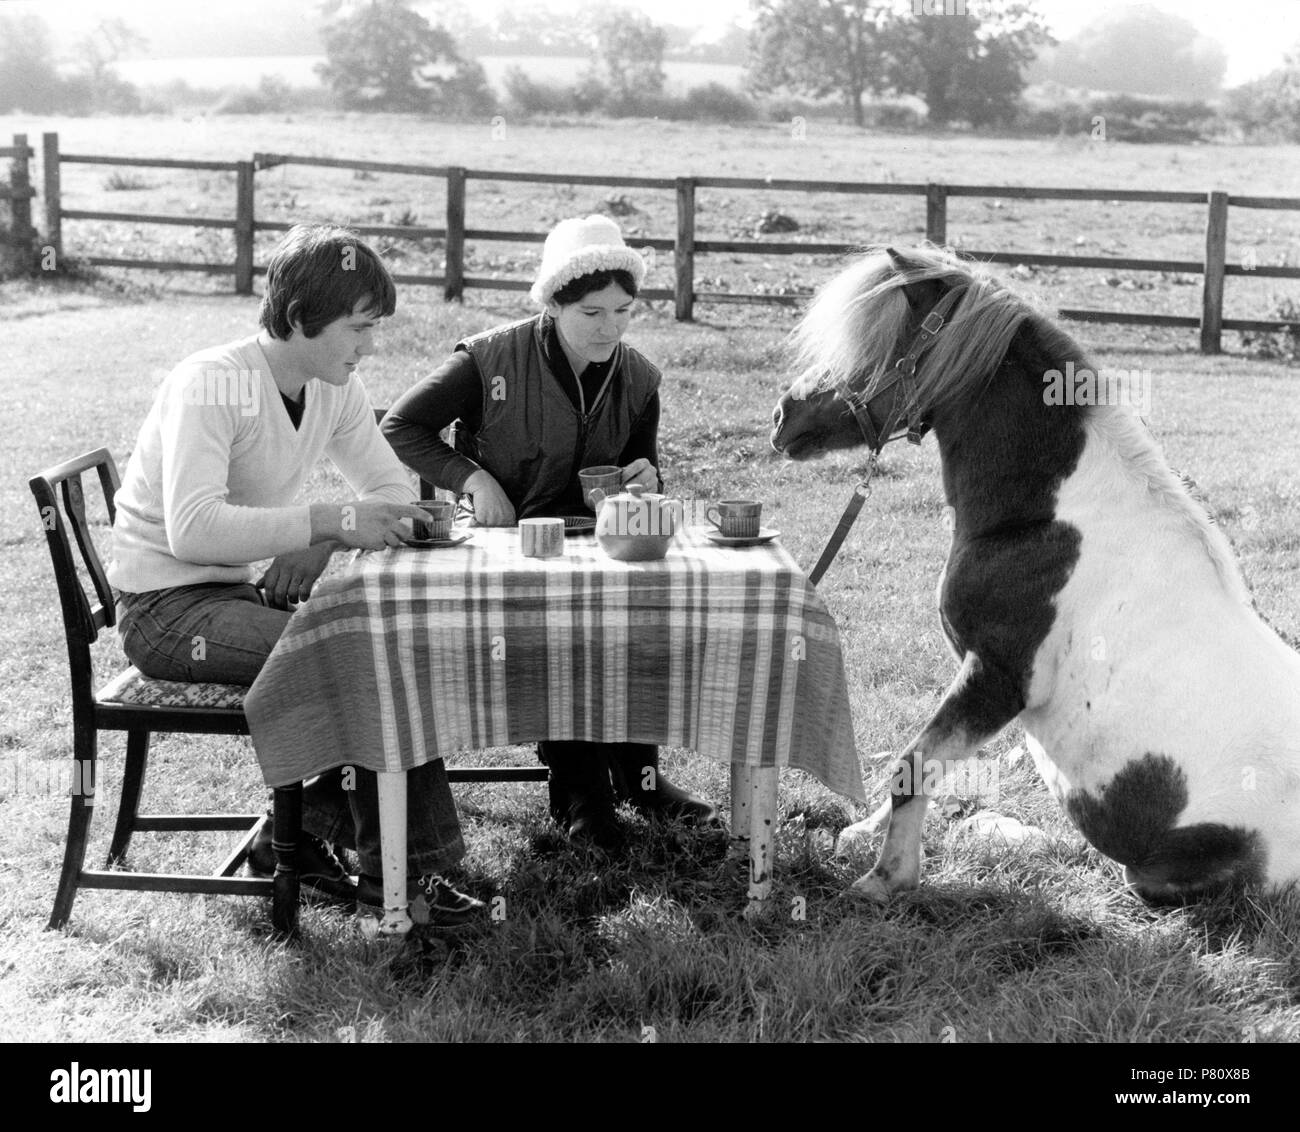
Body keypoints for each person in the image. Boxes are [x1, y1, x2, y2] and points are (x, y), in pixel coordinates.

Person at [107, 224, 484, 926]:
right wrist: (326, 522)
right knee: (364, 659)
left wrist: (324, 535)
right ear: (300, 316)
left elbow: (392, 491)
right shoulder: (212, 382)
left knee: (382, 650)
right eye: (358, 327)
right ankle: (403, 876)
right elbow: (192, 528)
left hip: (228, 595)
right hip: (164, 614)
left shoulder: (332, 384)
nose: (370, 345)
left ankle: (304, 834)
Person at [382, 215, 718, 851]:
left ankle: (640, 781)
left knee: (641, 613)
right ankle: (583, 794)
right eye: (592, 312)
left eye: (623, 311)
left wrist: (648, 478)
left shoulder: (641, 378)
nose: (609, 328)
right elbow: (400, 427)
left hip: (598, 543)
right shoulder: (487, 359)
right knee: (570, 625)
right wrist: (472, 479)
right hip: (504, 547)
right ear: (553, 303)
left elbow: (643, 470)